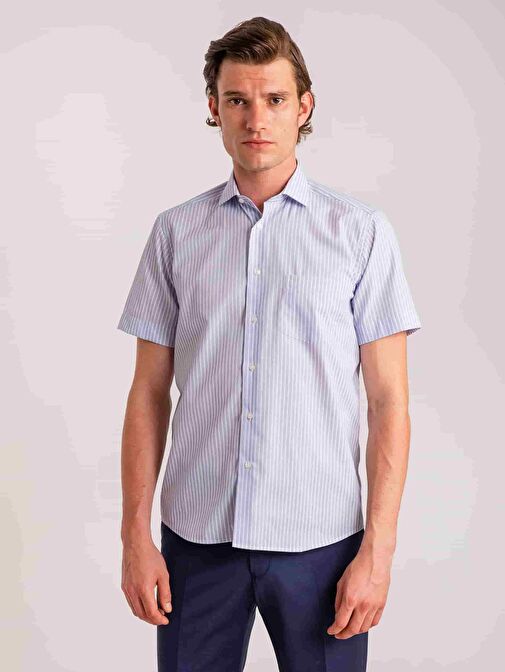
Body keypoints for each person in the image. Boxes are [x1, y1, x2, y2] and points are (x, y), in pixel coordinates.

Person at [117, 16, 422, 672]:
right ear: (214, 108)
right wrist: (134, 538)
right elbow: (147, 394)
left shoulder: (360, 234)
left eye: (275, 99)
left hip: (323, 544)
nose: (256, 118)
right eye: (237, 100)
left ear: (303, 106)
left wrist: (378, 552)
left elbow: (388, 402)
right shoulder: (175, 233)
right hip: (196, 541)